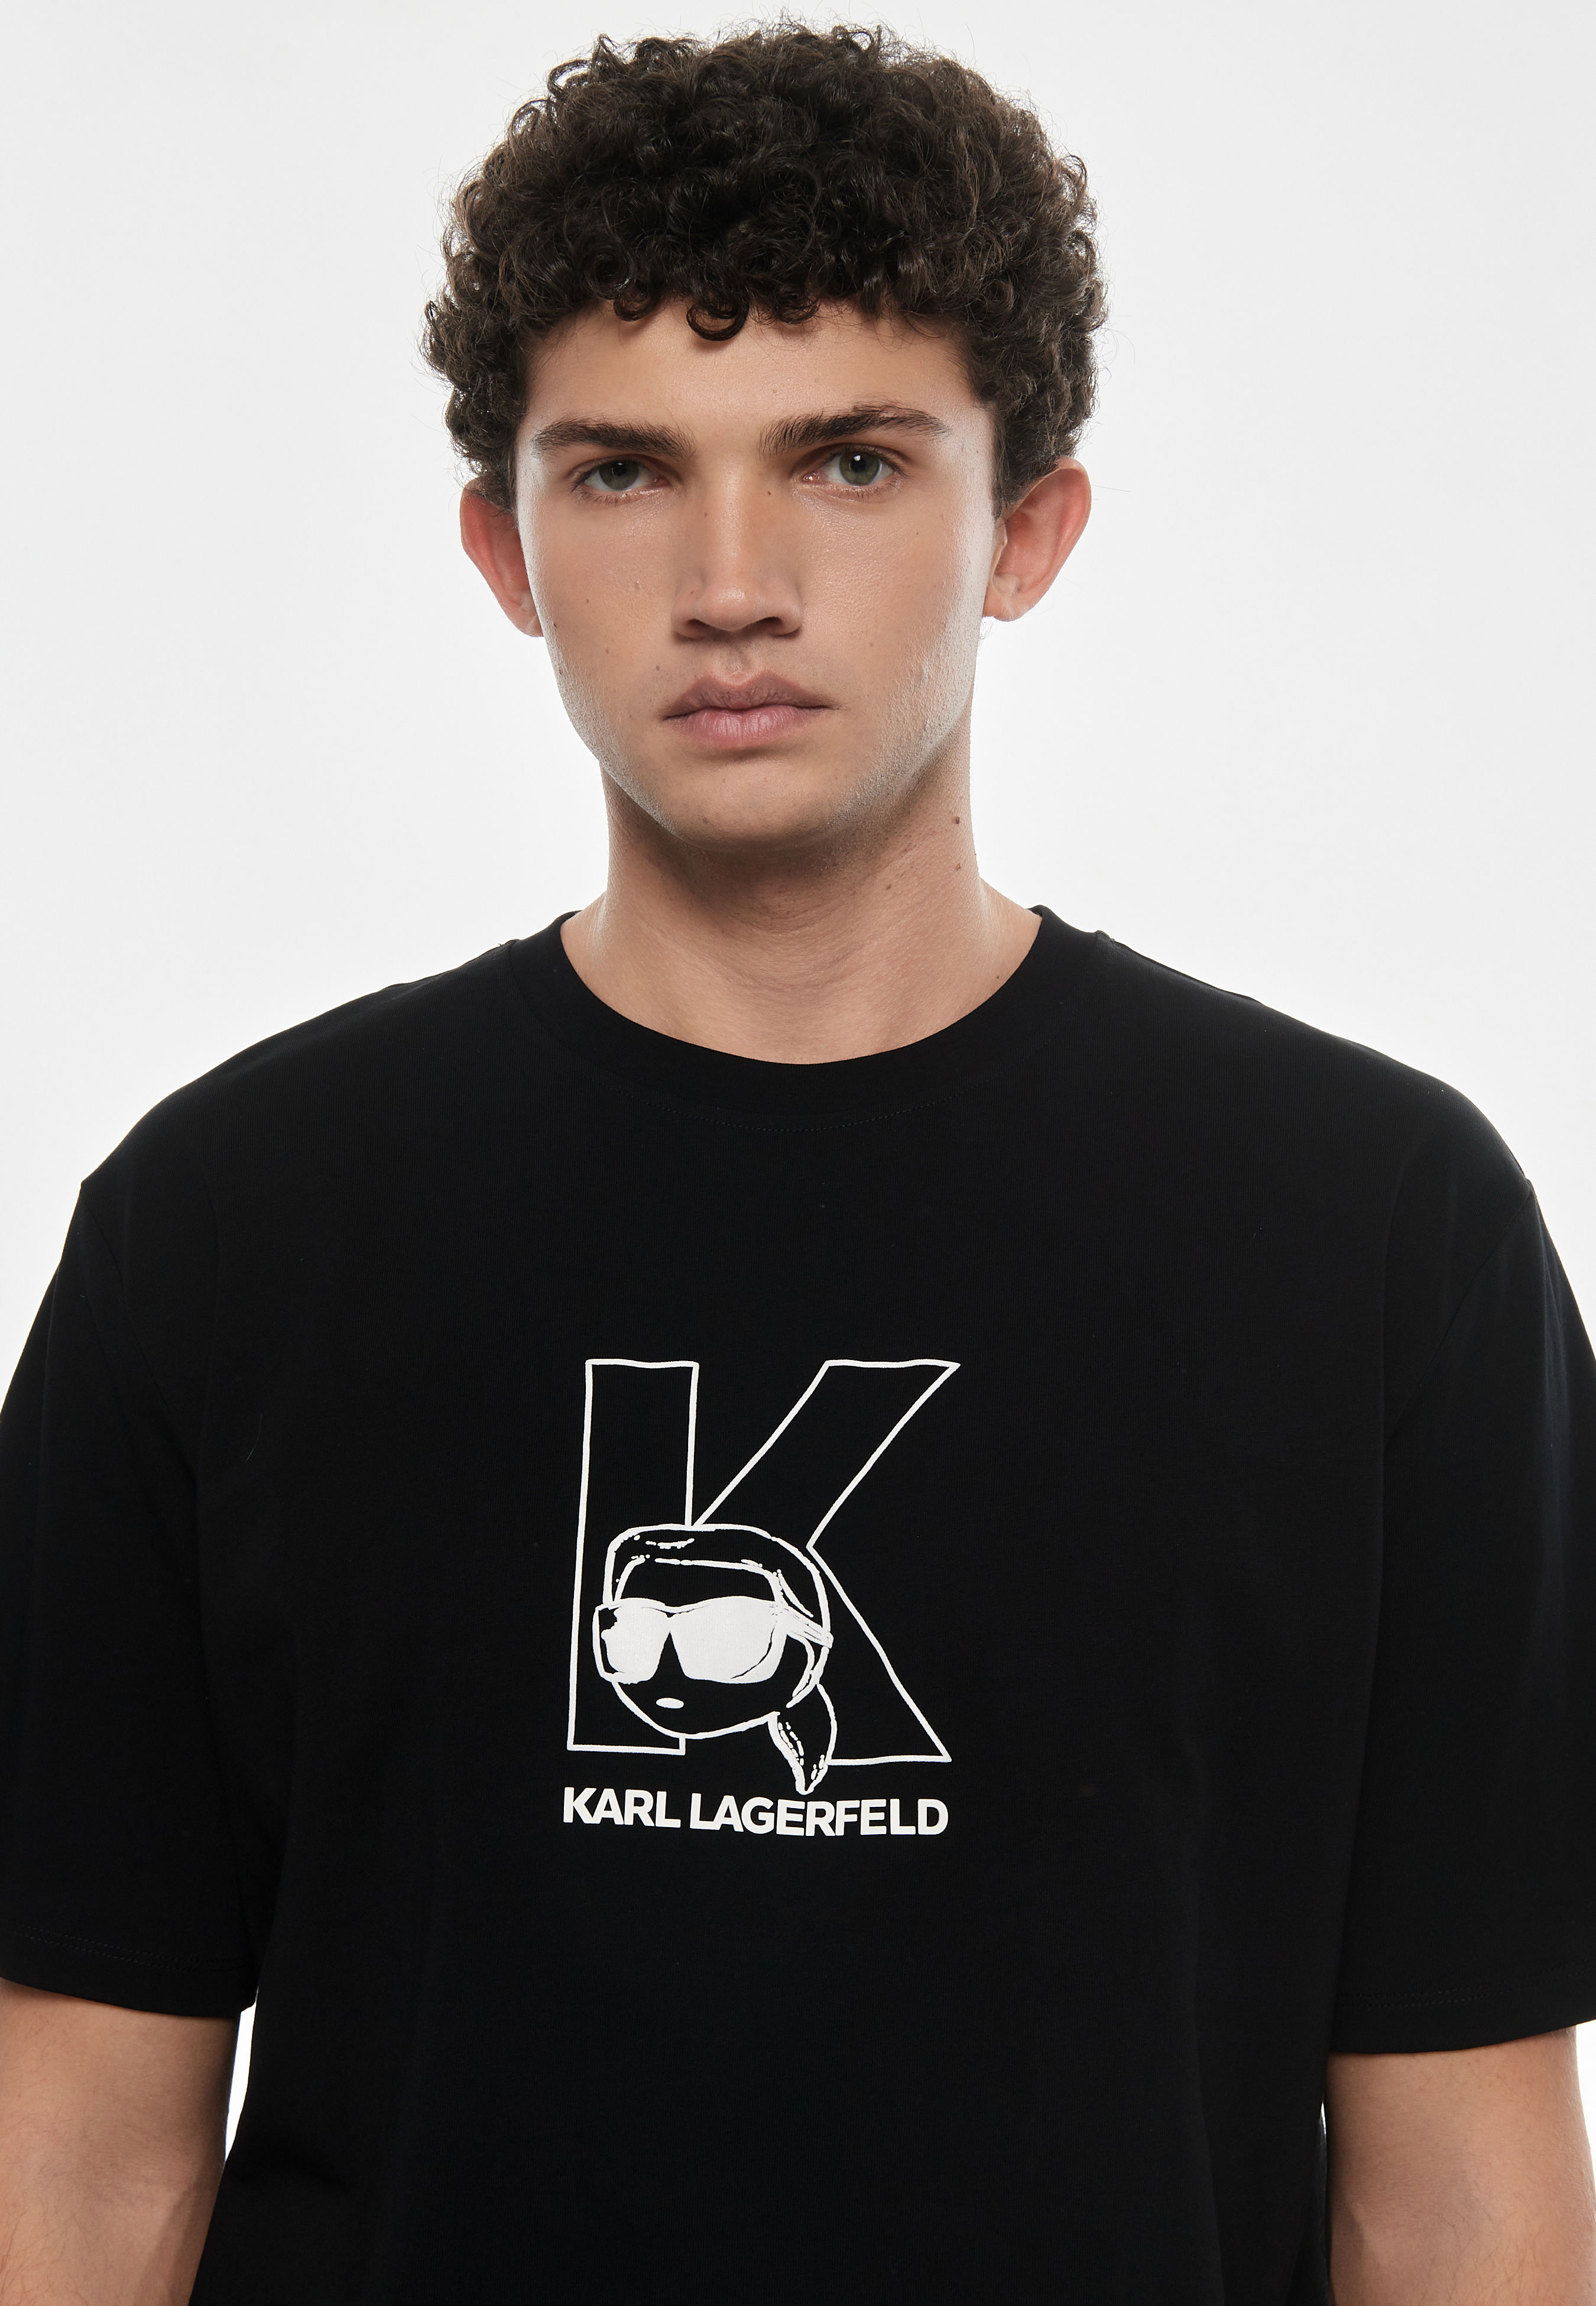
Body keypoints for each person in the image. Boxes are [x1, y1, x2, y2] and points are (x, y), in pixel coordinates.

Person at [0, 21, 1592, 2304]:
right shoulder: (230, 1228)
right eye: (624, 469)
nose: (730, 580)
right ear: (503, 546)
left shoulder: (1374, 1233)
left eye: (849, 460)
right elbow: (76, 2159)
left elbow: (1462, 2191)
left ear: (1023, 527)